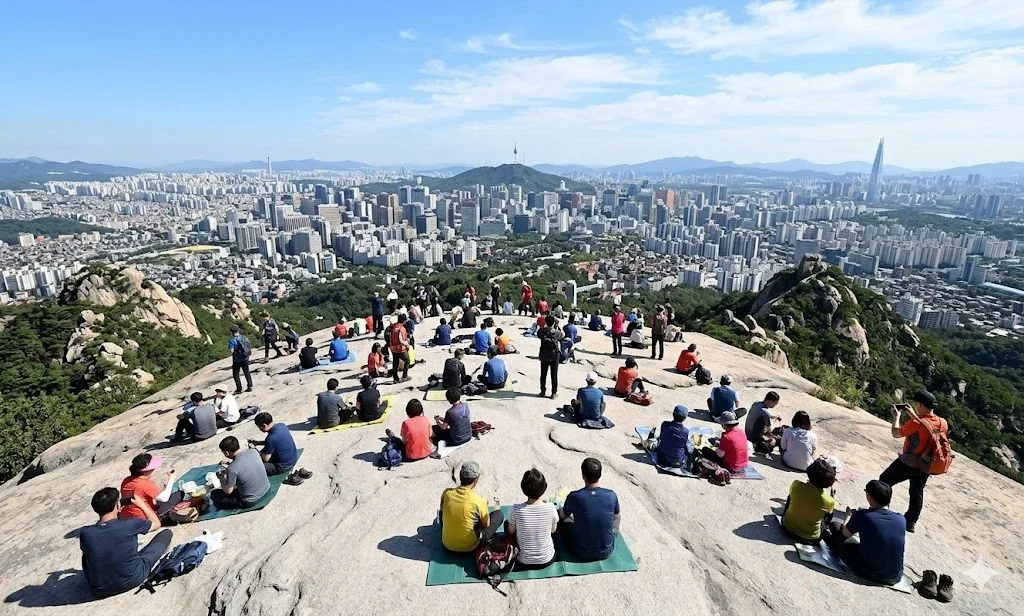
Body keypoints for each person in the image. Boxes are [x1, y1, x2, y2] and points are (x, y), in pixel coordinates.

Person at [79, 487, 172, 598]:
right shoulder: (130, 524)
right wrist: (142, 504)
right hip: (133, 579)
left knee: (86, 555)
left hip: (99, 591)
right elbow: (156, 523)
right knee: (166, 533)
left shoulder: (86, 532)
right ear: (117, 505)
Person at [879, 389, 946, 533]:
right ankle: (911, 522)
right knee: (916, 492)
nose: (915, 406)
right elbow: (927, 429)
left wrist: (896, 417)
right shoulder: (942, 423)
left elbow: (896, 433)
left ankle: (878, 512)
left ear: (921, 405)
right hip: (926, 464)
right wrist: (913, 415)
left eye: (917, 404)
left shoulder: (916, 422)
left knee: (884, 481)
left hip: (909, 462)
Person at [825, 480, 906, 585]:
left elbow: (845, 533)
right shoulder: (901, 519)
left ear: (869, 497)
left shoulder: (862, 515)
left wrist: (848, 516)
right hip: (895, 576)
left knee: (835, 527)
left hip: (869, 573)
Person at [558, 458, 620, 561]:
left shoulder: (574, 496)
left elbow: (562, 516)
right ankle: (611, 534)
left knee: (565, 521)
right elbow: (616, 516)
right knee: (615, 517)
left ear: (583, 475)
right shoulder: (611, 495)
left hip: (580, 551)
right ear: (600, 475)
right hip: (606, 551)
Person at [439, 461, 503, 552]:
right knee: (498, 514)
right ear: (476, 481)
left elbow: (441, 514)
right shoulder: (479, 501)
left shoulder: (447, 493)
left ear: (460, 476)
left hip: (447, 546)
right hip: (471, 548)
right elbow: (486, 525)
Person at [507, 469, 559, 570]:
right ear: (544, 488)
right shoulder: (550, 507)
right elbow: (553, 530)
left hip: (523, 561)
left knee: (508, 524)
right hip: (547, 560)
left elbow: (511, 531)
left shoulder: (516, 509)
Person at [782, 458, 837, 543]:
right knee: (827, 514)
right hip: (810, 538)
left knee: (791, 497)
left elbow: (791, 498)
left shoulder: (796, 484)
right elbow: (828, 519)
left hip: (786, 526)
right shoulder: (829, 501)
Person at [210, 436, 271, 510]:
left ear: (226, 452)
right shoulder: (253, 452)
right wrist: (231, 462)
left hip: (250, 500)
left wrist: (221, 478)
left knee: (214, 494)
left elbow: (228, 491)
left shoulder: (232, 469)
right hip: (267, 489)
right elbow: (246, 464)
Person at [120, 453, 181, 521]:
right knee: (177, 494)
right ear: (146, 471)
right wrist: (171, 478)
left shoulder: (126, 480)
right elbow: (164, 498)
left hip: (128, 515)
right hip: (145, 517)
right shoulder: (144, 483)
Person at [537, 315, 564, 399]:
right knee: (554, 374)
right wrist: (557, 326)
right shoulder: (556, 333)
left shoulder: (542, 331)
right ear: (553, 323)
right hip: (554, 356)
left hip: (544, 355)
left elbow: (538, 333)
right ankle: (554, 393)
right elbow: (562, 335)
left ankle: (542, 391)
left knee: (543, 374)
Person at [228, 324, 253, 394]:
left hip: (237, 360)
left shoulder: (232, 341)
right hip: (245, 358)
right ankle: (249, 386)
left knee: (236, 374)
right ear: (238, 330)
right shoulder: (244, 337)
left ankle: (239, 388)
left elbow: (232, 351)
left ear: (232, 332)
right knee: (247, 372)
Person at [390, 314, 411, 383]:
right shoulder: (401, 329)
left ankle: (395, 378)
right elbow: (401, 340)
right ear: (404, 321)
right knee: (407, 361)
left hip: (393, 348)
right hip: (400, 349)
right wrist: (407, 344)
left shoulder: (394, 327)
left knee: (395, 363)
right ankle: (404, 376)